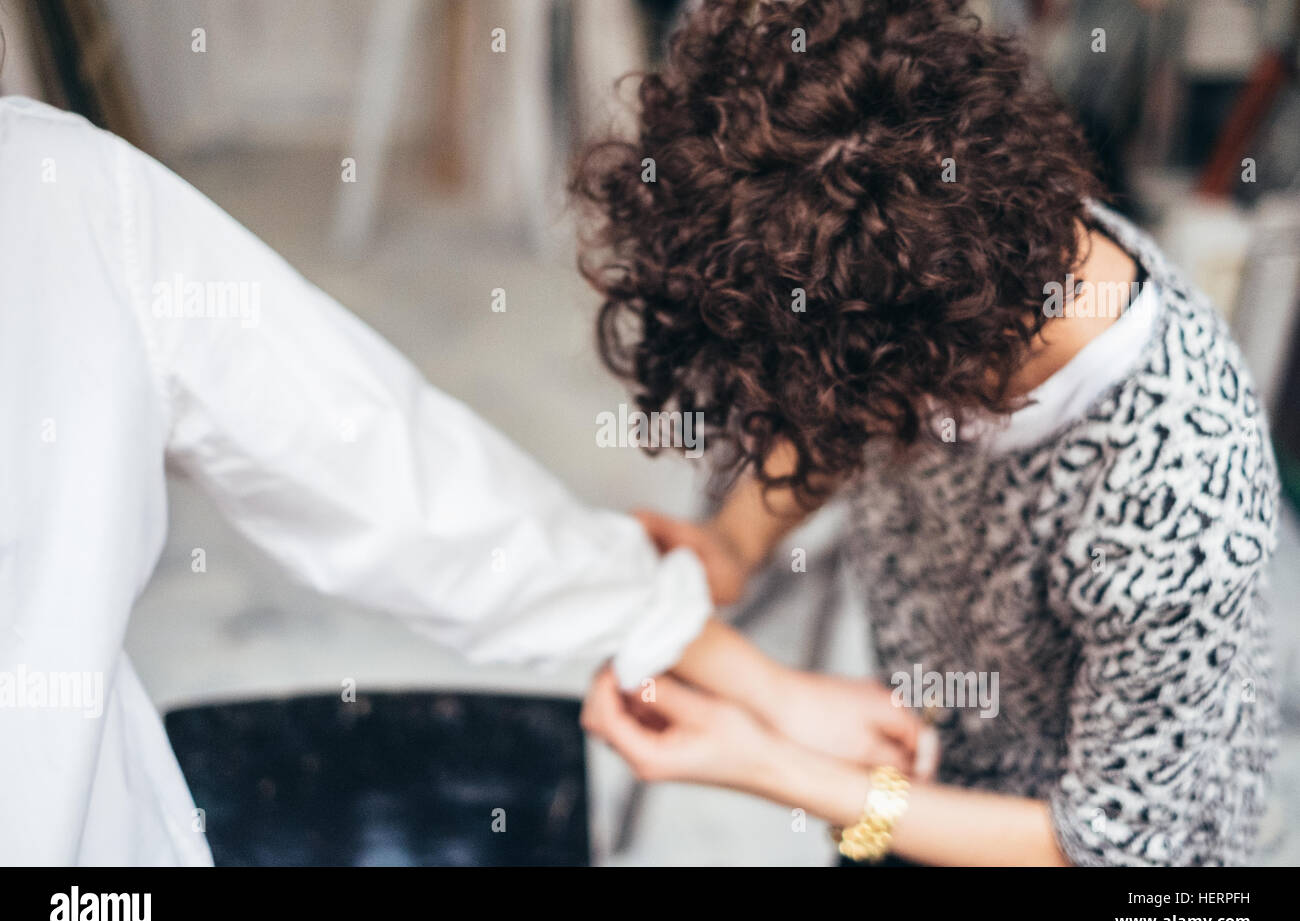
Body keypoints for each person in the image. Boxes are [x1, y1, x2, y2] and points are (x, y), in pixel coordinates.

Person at [0, 94, 931, 864]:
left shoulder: (57, 191)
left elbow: (392, 474)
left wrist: (745, 663)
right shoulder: (56, 189)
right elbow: (388, 473)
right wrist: (792, 750)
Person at [575, 0, 1279, 866]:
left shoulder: (1179, 491)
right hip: (934, 753)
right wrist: (735, 545)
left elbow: (1110, 844)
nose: (813, 434)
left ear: (911, 364)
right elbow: (836, 408)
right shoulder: (961, 261)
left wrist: (764, 760)